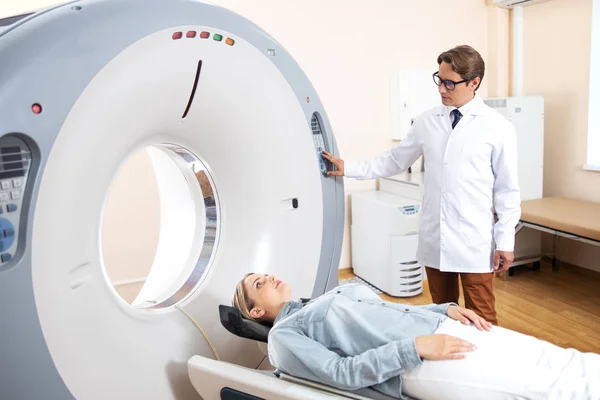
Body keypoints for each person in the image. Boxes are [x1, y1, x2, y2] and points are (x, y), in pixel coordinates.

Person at [322, 45, 521, 326]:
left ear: (474, 83)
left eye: (450, 82)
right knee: (441, 313)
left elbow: (507, 190)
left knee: (482, 317)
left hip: (474, 241)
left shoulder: (498, 127)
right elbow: (395, 160)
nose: (441, 88)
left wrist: (505, 240)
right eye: (439, 79)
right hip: (435, 237)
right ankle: (445, 364)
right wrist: (350, 168)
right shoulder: (428, 121)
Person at [232, 273, 600, 400]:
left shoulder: (323, 297)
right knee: (549, 388)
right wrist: (415, 348)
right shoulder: (283, 337)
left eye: (265, 273)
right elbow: (340, 372)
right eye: (258, 284)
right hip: (419, 362)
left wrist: (441, 310)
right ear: (255, 312)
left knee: (560, 357)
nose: (269, 277)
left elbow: (392, 311)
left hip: (442, 329)